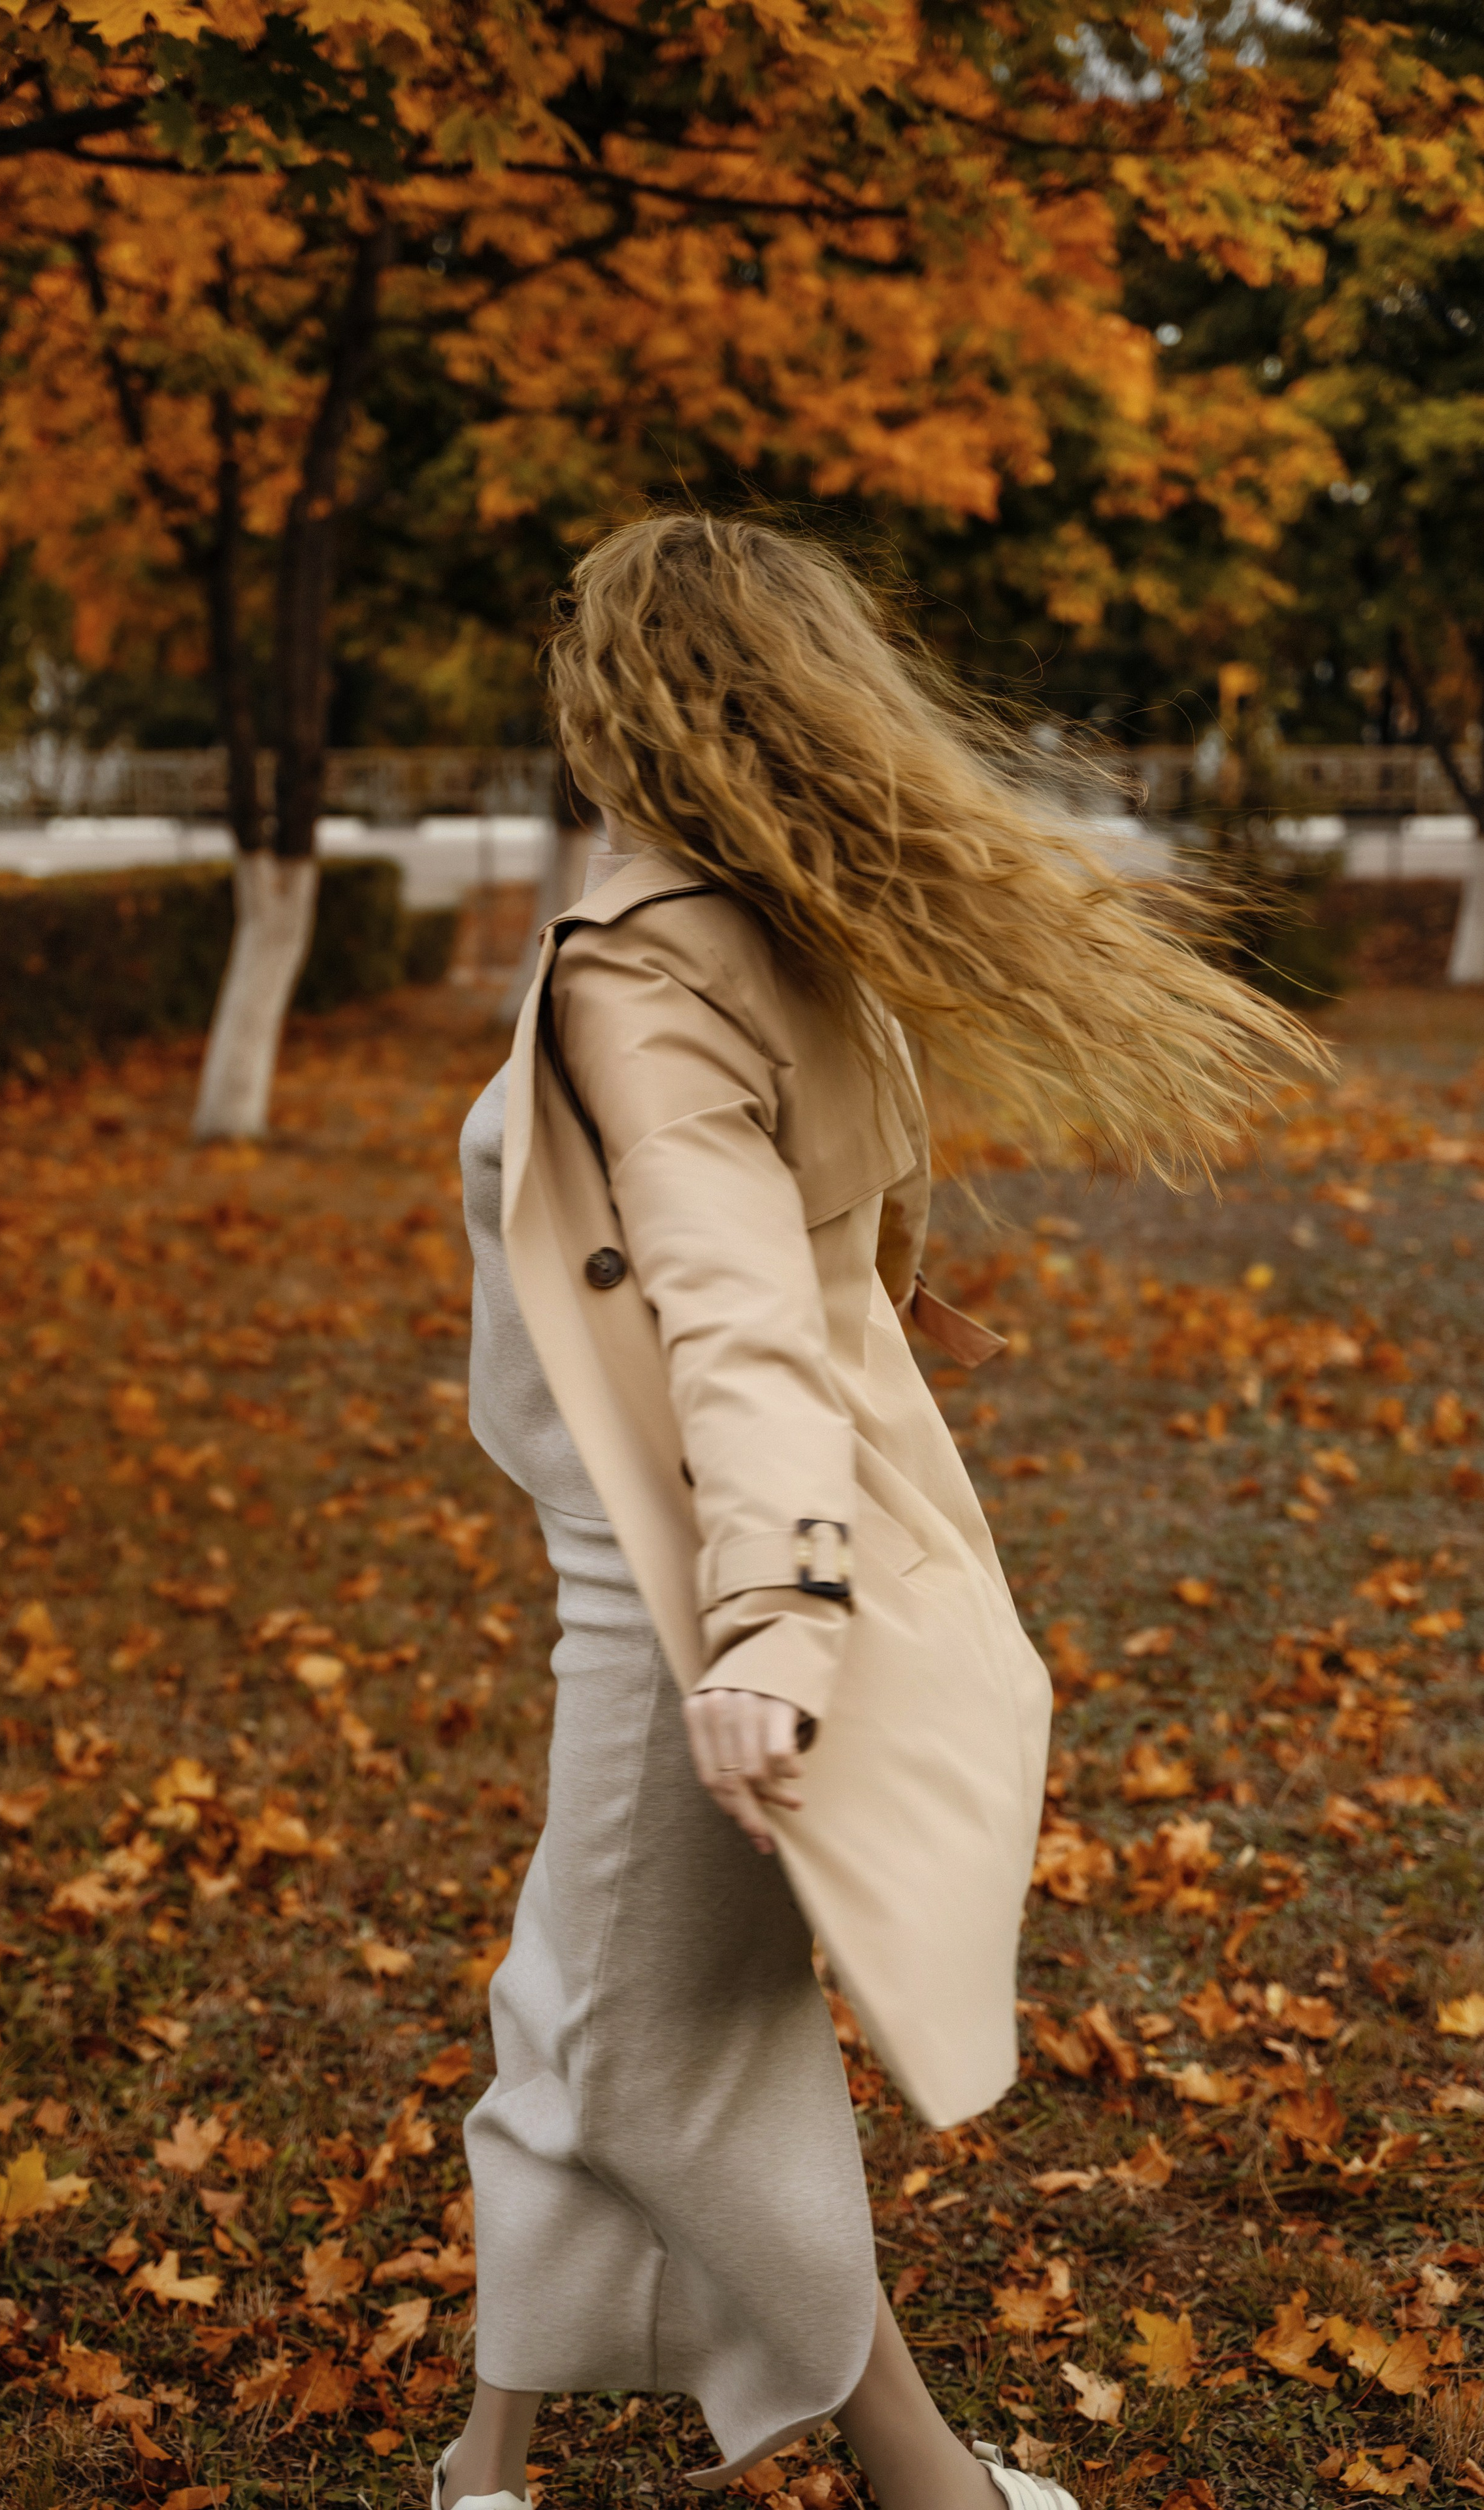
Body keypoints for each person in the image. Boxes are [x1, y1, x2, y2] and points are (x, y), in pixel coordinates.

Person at [442, 514, 1316, 2510]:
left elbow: (738, 1308)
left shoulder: (643, 970)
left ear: (614, 710)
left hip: (685, 1599)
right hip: (693, 1563)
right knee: (568, 2026)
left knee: (655, 2065)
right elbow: (815, 1252)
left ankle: (923, 2479)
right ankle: (482, 2467)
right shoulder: (773, 936)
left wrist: (770, 1616)